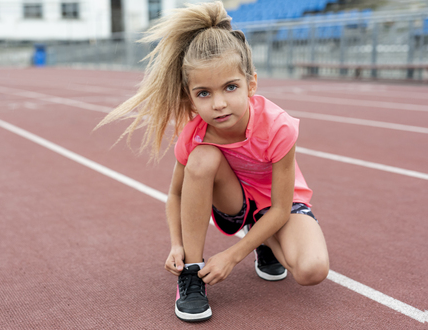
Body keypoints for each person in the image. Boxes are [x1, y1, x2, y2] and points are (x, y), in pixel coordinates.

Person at [96, 1, 330, 323]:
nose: (219, 104)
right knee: (203, 156)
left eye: (230, 88)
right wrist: (176, 246)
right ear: (190, 97)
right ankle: (191, 276)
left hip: (277, 205)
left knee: (311, 269)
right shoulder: (195, 134)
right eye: (203, 93)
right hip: (232, 202)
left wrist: (233, 256)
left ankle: (262, 242)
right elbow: (176, 194)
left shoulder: (279, 127)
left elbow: (279, 207)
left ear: (251, 84)